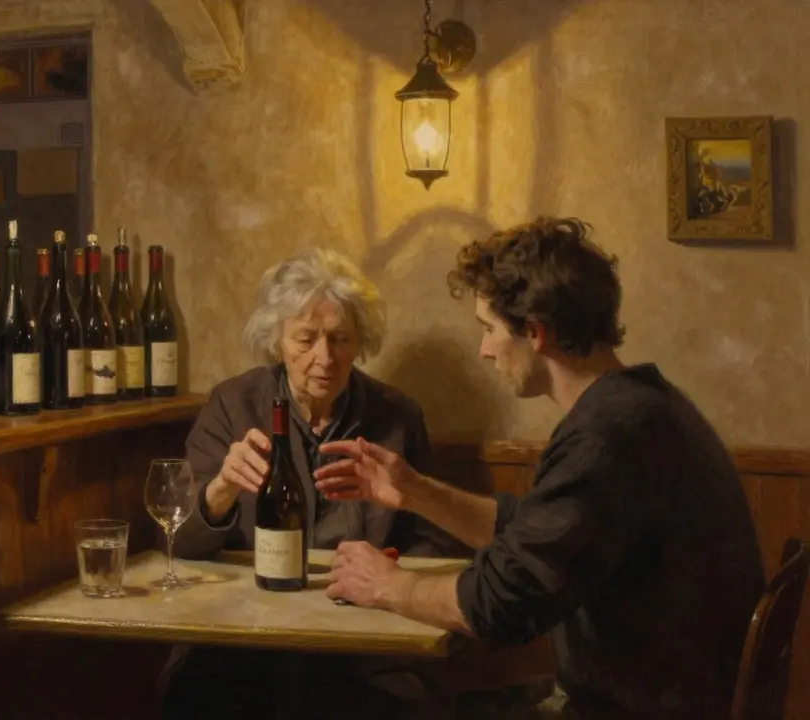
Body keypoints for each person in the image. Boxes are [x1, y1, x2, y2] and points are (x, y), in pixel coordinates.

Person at [315, 216, 765, 719]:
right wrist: (415, 491)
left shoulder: (604, 438)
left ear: (535, 332)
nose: (484, 350)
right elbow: (534, 534)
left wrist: (388, 586)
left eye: (489, 329)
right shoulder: (641, 405)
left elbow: (498, 605)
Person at [160, 247, 475, 719]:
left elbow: (433, 545)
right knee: (198, 695)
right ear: (276, 341)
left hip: (365, 643)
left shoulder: (397, 416)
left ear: (360, 341)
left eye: (340, 339)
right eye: (306, 339)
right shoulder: (233, 404)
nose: (324, 357)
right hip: (246, 636)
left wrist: (389, 581)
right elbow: (177, 536)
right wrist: (222, 488)